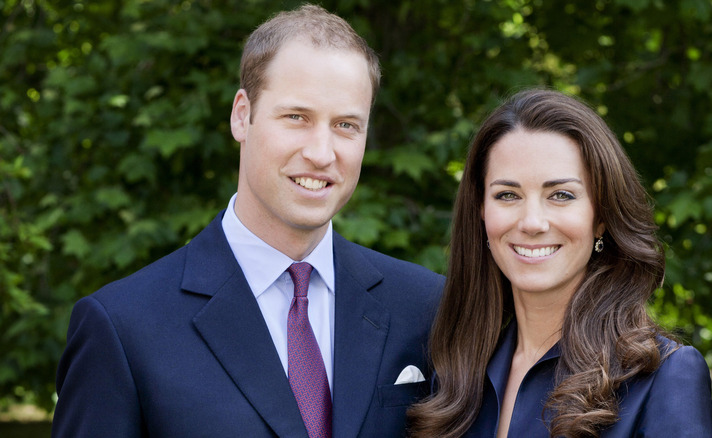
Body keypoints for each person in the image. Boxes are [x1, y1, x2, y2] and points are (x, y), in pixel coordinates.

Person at [53, 5, 443, 437]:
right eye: (297, 117)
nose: (321, 152)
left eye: (346, 125)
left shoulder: (426, 307)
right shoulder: (123, 328)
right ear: (243, 115)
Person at [407, 88, 712, 437]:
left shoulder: (664, 376)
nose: (532, 222)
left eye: (561, 195)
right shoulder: (453, 375)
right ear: (481, 212)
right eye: (508, 195)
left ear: (601, 216)